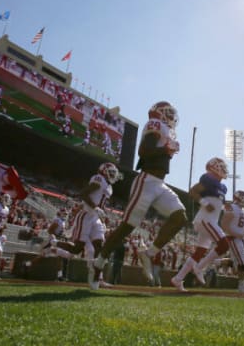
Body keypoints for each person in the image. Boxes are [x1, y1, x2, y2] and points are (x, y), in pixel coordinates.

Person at [91, 101, 187, 286]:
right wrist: (166, 149)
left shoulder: (166, 129)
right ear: (159, 112)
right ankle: (98, 263)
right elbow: (144, 151)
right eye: (168, 112)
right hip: (146, 180)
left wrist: (167, 150)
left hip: (159, 183)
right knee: (127, 227)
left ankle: (148, 253)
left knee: (180, 217)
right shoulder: (156, 124)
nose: (172, 116)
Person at [170, 157, 228, 292]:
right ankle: (200, 267)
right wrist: (205, 203)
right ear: (215, 167)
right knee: (224, 245)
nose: (224, 169)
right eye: (222, 166)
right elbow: (193, 192)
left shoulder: (223, 187)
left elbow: (218, 204)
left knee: (199, 252)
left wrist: (226, 207)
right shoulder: (208, 178)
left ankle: (178, 279)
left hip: (210, 220)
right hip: (206, 220)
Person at [74, 162, 121, 290]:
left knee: (100, 246)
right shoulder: (98, 179)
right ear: (104, 171)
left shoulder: (107, 185)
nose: (113, 175)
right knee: (78, 248)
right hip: (87, 214)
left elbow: (100, 200)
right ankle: (52, 245)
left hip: (95, 217)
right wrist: (95, 207)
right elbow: (83, 194)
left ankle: (98, 278)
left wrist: (101, 214)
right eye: (111, 172)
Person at [220, 190, 244, 293]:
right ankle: (242, 287)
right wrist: (238, 234)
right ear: (237, 198)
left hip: (238, 238)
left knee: (236, 264)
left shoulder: (242, 209)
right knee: (242, 262)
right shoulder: (232, 207)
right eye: (243, 198)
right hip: (233, 238)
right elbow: (225, 226)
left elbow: (238, 226)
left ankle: (213, 262)